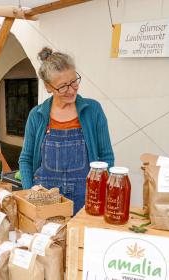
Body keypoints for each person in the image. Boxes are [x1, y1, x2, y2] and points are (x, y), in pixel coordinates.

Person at [19, 47, 114, 212]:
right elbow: (26, 159)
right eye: (63, 86)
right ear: (48, 87)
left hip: (86, 195)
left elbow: (106, 157)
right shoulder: (37, 115)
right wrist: (30, 192)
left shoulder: (92, 110)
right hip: (45, 197)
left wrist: (102, 192)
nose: (71, 90)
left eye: (74, 82)